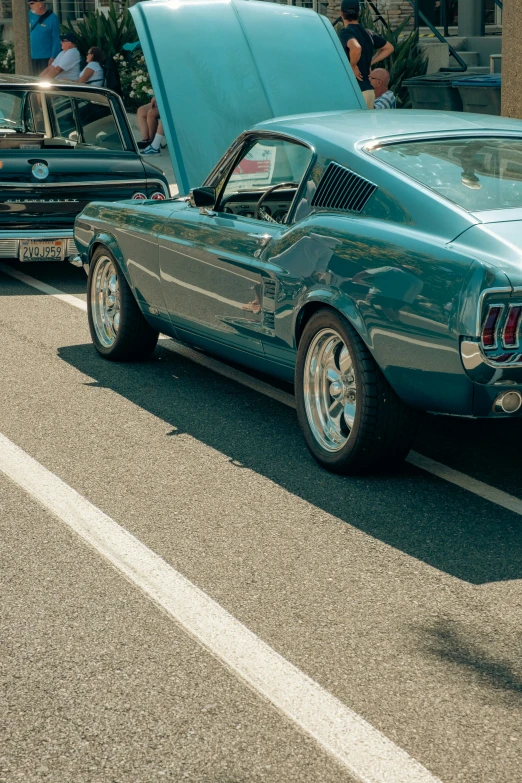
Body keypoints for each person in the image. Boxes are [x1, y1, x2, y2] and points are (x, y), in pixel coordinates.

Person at [338, 0, 394, 109]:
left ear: (341, 13)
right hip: (368, 91)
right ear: (359, 13)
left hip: (355, 92)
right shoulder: (368, 33)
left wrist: (353, 66)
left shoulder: (346, 32)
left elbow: (356, 47)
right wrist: (370, 62)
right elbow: (389, 48)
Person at [28, 0, 61, 77]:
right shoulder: (29, 15)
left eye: (32, 4)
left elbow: (56, 39)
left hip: (46, 56)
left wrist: (53, 56)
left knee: (44, 80)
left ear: (40, 4)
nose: (30, 6)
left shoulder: (52, 18)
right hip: (31, 55)